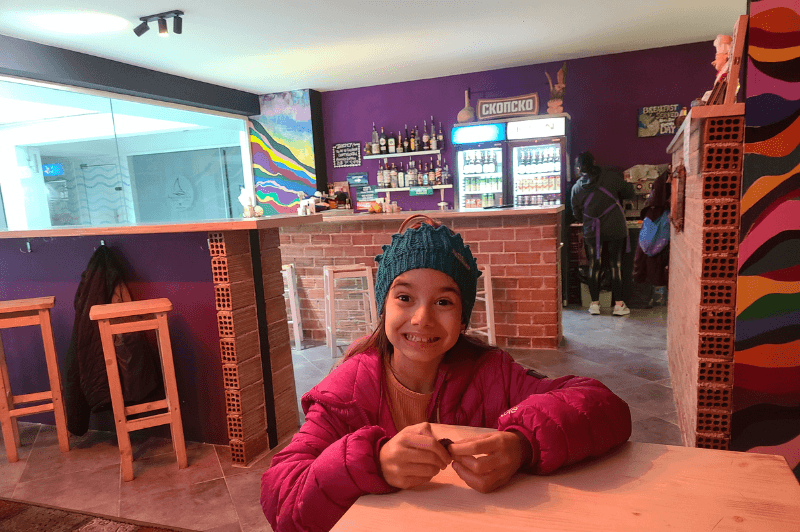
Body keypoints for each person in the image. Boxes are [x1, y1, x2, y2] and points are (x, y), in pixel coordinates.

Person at [260, 214, 632, 532]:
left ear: (463, 318)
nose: (422, 318)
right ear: (383, 307)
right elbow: (281, 499)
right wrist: (374, 463)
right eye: (404, 297)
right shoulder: (347, 391)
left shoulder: (491, 374)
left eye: (443, 302)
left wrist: (523, 445)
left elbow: (602, 404)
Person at [570, 152, 635, 316]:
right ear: (595, 162)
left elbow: (577, 215)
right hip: (615, 227)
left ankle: (594, 305)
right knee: (615, 265)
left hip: (592, 231)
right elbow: (629, 192)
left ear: (579, 168)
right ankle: (619, 306)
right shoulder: (611, 177)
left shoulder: (577, 187)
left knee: (594, 265)